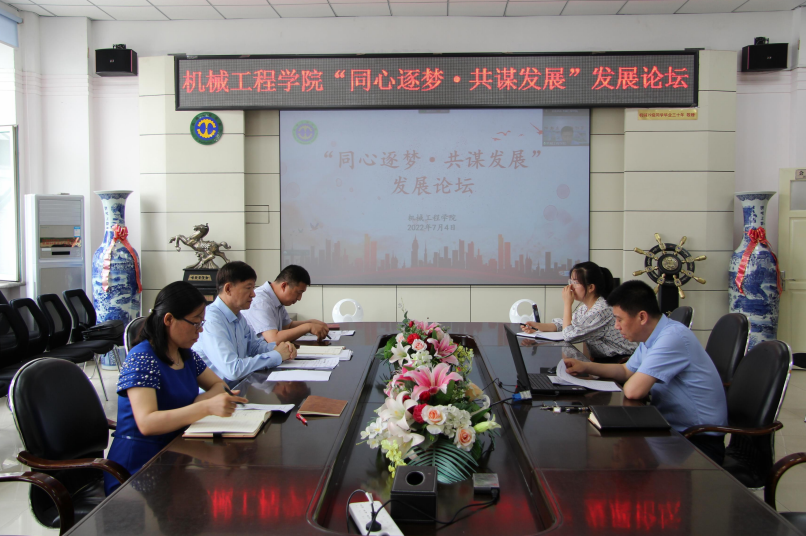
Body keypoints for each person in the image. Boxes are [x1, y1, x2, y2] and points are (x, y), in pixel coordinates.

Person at [104, 281, 249, 495]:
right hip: (138, 470)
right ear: (169, 319)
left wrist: (197, 403)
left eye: (202, 323)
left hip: (175, 452)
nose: (200, 330)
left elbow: (220, 385)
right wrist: (205, 407)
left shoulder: (185, 354)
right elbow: (147, 423)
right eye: (195, 323)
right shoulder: (142, 358)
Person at [562, 280, 728, 465]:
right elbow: (626, 370)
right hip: (671, 428)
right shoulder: (653, 336)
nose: (616, 326)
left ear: (642, 317)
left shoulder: (672, 338)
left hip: (697, 441)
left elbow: (634, 391)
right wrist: (585, 366)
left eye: (619, 319)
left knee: (618, 456)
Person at [193, 261, 296, 386]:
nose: (253, 294)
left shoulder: (238, 317)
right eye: (248, 288)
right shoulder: (212, 320)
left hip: (237, 389)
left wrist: (280, 348)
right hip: (216, 394)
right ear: (228, 289)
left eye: (253, 288)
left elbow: (255, 347)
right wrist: (277, 355)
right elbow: (233, 370)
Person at [521, 261, 636, 361]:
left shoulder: (601, 309)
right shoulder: (584, 307)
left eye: (576, 283)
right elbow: (564, 324)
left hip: (621, 360)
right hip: (605, 359)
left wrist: (567, 303)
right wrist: (537, 326)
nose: (571, 287)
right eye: (571, 281)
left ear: (591, 287)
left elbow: (569, 335)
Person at [242, 264, 330, 343]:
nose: (299, 298)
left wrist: (310, 322)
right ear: (284, 286)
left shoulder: (276, 299)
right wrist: (308, 327)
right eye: (298, 292)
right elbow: (273, 339)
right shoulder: (260, 301)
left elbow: (287, 326)